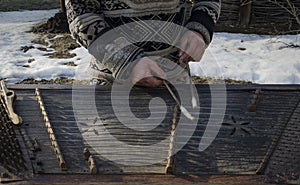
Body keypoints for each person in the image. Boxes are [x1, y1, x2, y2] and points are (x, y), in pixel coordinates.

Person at [65, 0, 221, 87]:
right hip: (110, 82)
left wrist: (200, 27)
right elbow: (80, 14)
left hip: (175, 80)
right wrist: (125, 59)